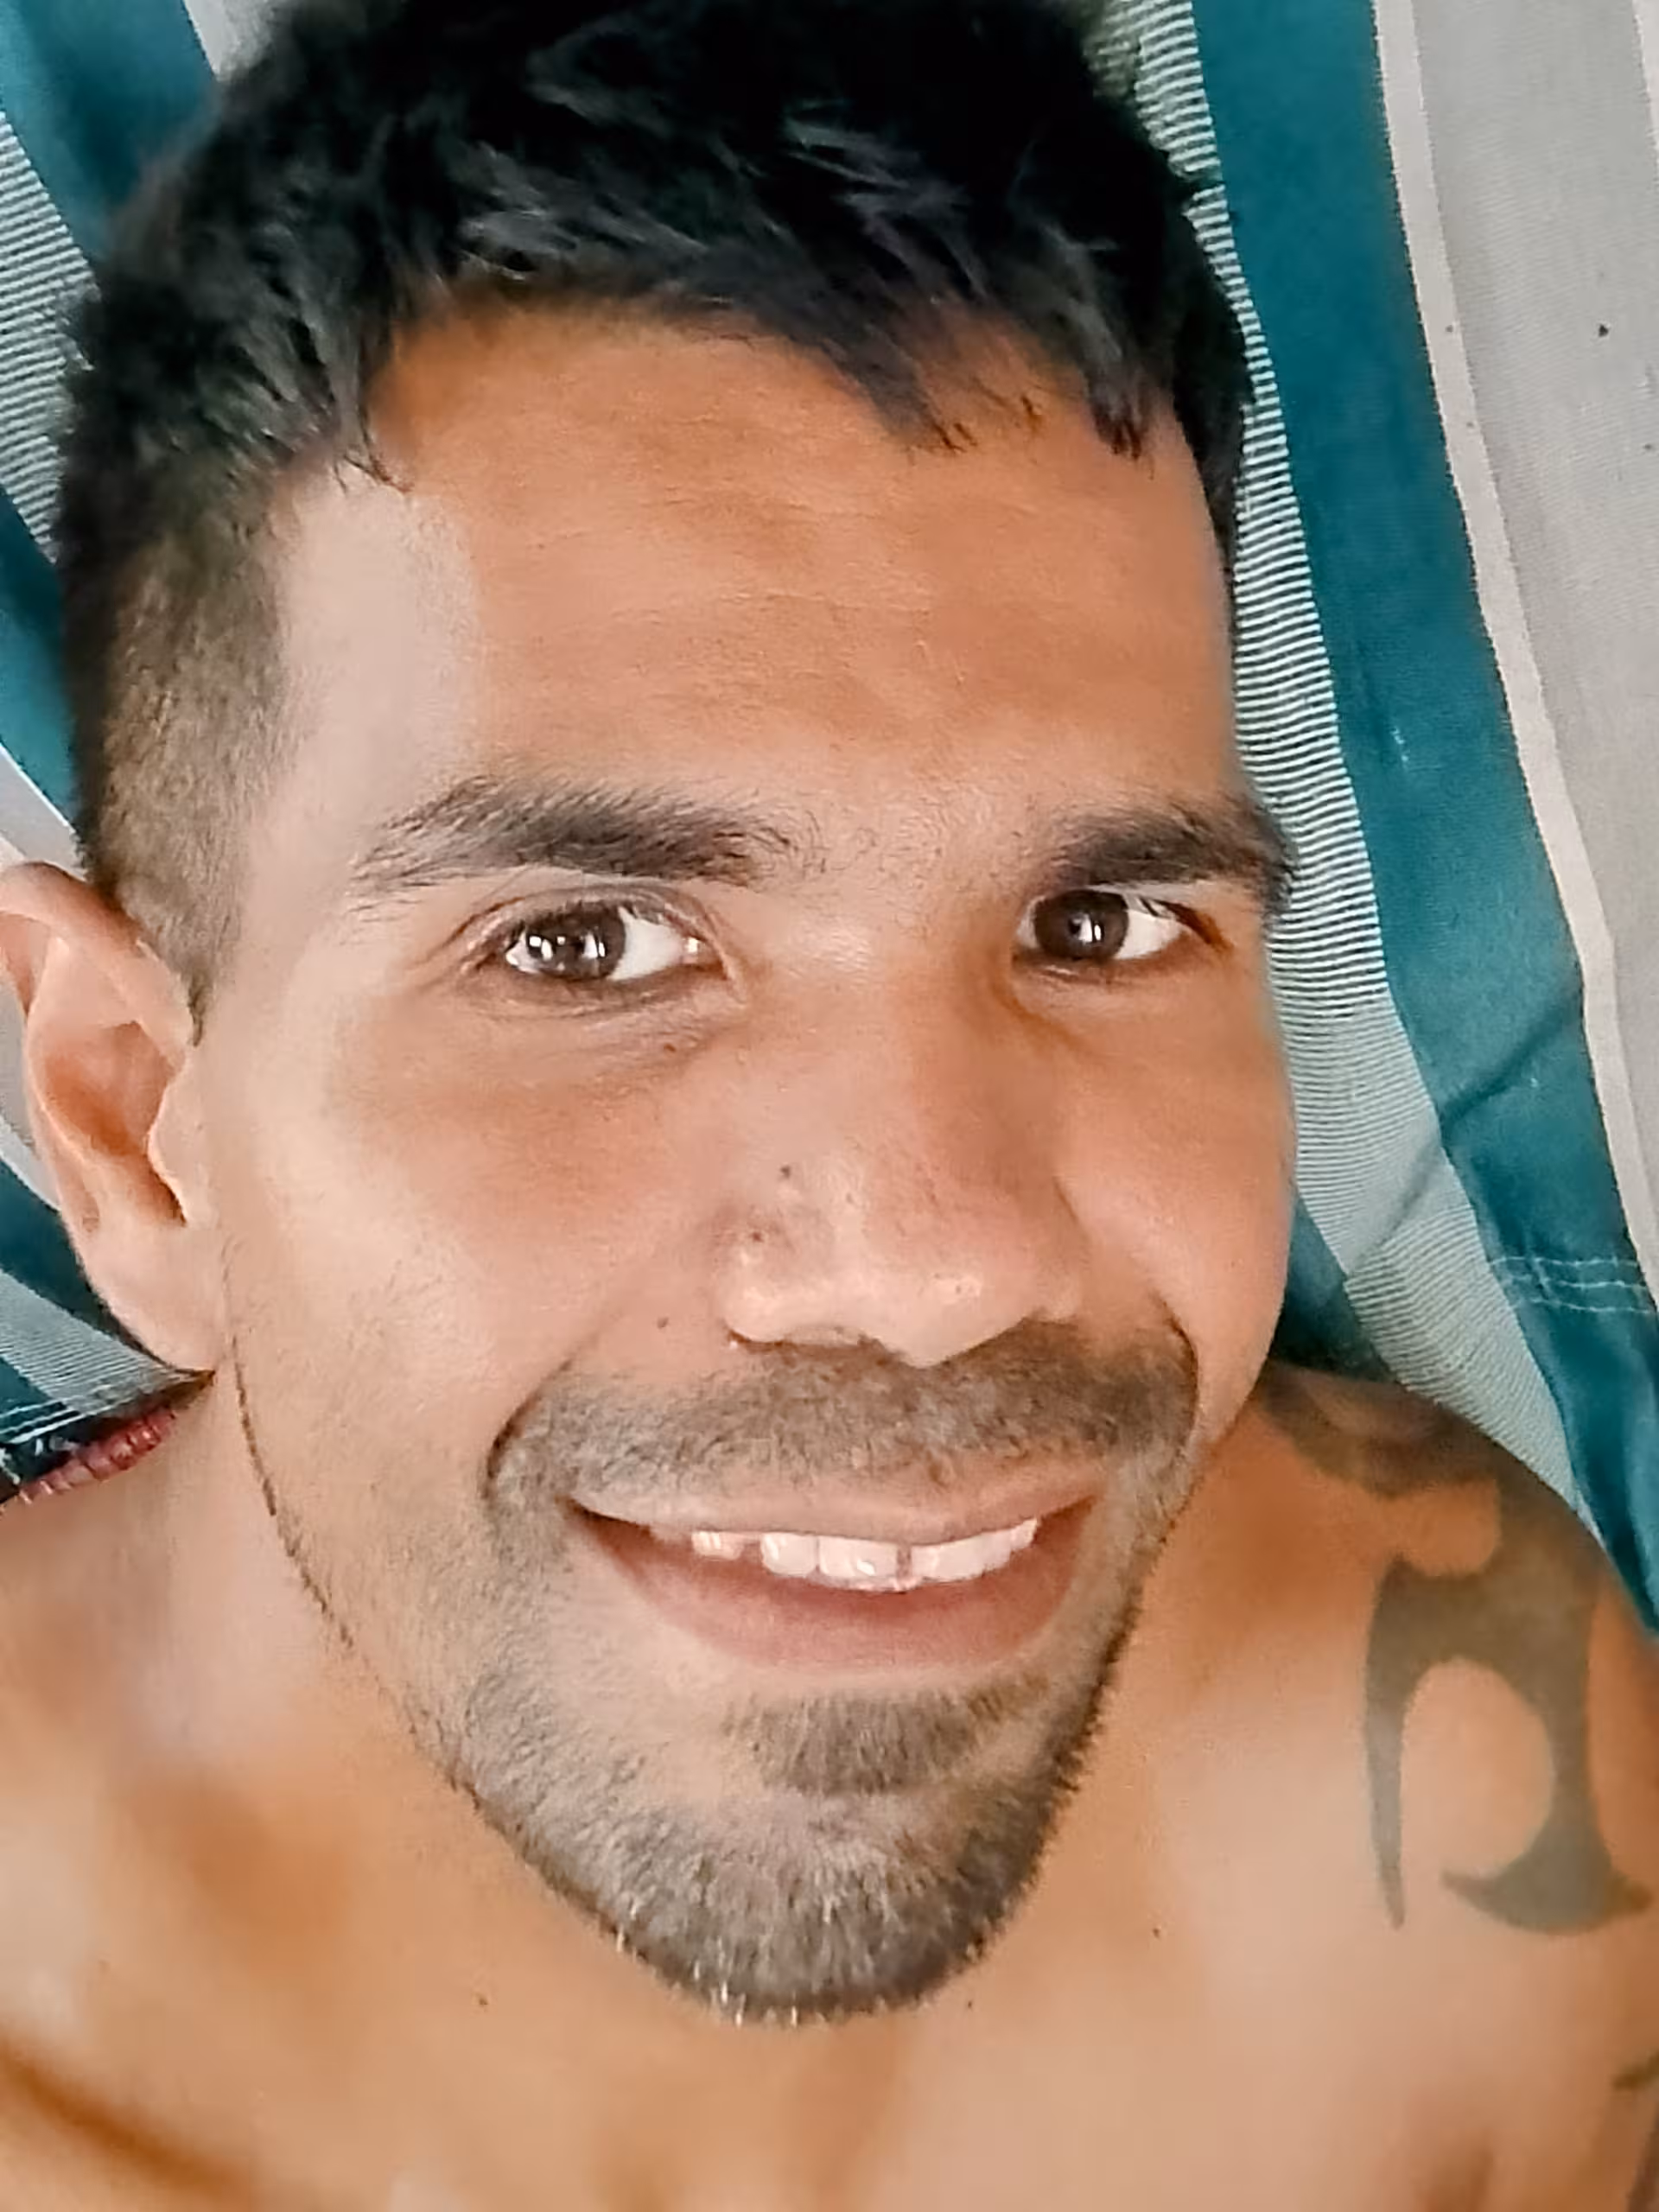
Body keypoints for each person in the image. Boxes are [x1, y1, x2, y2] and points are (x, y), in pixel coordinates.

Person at [0, 0, 1650, 2201]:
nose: (939, 1264)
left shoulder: (1446, 1799)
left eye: (1095, 924)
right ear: (136, 1124)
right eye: (586, 945)